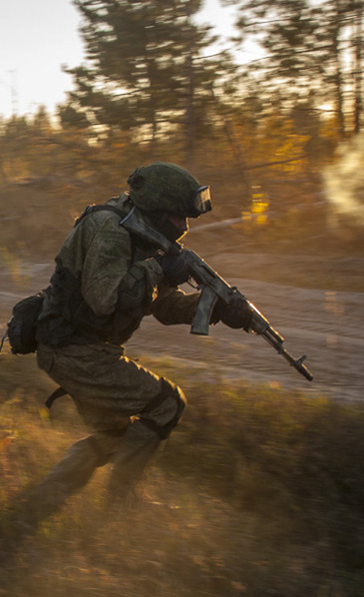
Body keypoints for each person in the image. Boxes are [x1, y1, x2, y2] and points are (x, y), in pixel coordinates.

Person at [26, 162, 250, 516]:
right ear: (159, 209)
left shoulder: (143, 234)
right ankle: (119, 509)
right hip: (74, 351)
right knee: (168, 404)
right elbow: (103, 299)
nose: (184, 226)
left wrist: (217, 310)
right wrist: (158, 268)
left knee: (113, 437)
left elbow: (163, 306)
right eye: (178, 217)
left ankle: (40, 503)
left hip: (82, 350)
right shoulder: (112, 230)